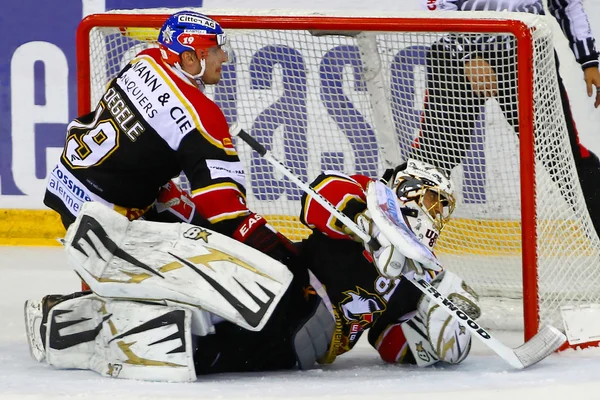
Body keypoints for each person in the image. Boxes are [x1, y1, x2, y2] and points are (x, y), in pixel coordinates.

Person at [26, 10, 333, 382]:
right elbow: (225, 212)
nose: (224, 58)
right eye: (215, 50)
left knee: (184, 211)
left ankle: (114, 298)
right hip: (112, 227)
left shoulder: (144, 59)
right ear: (189, 57)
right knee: (231, 267)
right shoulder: (202, 116)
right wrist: (287, 257)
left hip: (71, 187)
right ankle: (108, 320)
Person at [413, 0, 600, 234]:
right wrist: (468, 56)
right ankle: (401, 249)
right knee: (434, 157)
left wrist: (588, 59)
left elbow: (567, 4)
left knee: (564, 157)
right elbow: (438, 5)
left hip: (528, 51)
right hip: (456, 58)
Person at [296, 159, 481, 366]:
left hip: (303, 344)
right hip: (291, 286)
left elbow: (387, 341)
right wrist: (365, 220)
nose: (438, 212)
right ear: (409, 190)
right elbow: (316, 196)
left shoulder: (419, 271)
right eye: (434, 199)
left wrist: (439, 338)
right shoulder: (370, 197)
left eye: (443, 206)